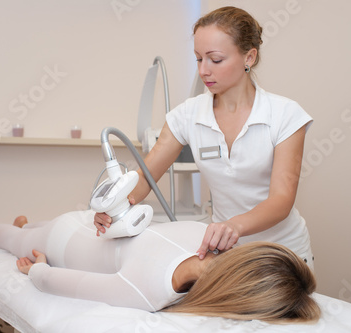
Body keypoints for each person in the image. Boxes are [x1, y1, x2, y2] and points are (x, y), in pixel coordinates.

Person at [94, 6, 315, 268]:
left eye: (216, 59)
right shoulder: (187, 115)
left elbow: (281, 200)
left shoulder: (285, 115)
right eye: (199, 59)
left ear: (249, 57)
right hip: (227, 255)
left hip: (283, 254)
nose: (203, 71)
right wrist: (115, 206)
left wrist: (233, 225)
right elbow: (145, 176)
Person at [0, 210, 320, 323]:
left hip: (83, 223)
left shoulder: (207, 234)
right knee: (13, 242)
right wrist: (37, 268)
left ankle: (20, 226)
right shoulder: (147, 292)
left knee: (22, 234)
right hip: (58, 243)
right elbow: (51, 282)